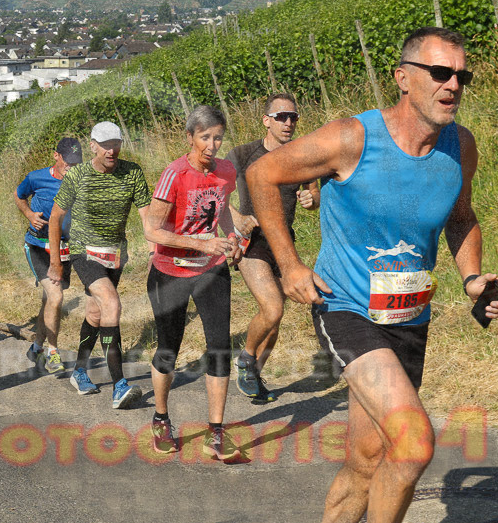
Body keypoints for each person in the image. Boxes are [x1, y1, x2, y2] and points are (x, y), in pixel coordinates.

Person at [247, 27, 498, 523]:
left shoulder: (460, 146)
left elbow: (461, 220)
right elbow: (261, 173)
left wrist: (472, 280)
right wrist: (290, 264)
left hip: (410, 318)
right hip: (346, 308)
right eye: (440, 72)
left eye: (462, 75)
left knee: (369, 456)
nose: (453, 84)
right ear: (404, 77)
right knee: (413, 442)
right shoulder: (353, 139)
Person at [142, 105, 242, 460]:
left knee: (219, 347)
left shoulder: (226, 170)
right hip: (170, 272)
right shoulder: (174, 174)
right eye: (205, 138)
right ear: (189, 137)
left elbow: (223, 207)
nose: (212, 145)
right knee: (169, 348)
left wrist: (234, 239)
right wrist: (202, 242)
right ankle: (161, 418)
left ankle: (216, 432)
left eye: (217, 137)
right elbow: (151, 230)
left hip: (211, 270)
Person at [226, 93, 324, 402]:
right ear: (266, 120)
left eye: (293, 117)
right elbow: (213, 196)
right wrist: (236, 217)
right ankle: (244, 359)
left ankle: (254, 370)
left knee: (275, 317)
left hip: (283, 243)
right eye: (281, 116)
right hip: (251, 242)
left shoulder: (303, 156)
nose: (289, 122)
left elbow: (315, 194)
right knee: (273, 307)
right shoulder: (241, 154)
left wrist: (312, 200)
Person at [47, 121, 150, 410]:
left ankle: (79, 371)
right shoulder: (77, 175)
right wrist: (56, 261)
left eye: (115, 143)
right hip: (83, 252)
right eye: (105, 145)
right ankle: (119, 385)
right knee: (112, 304)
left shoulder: (132, 174)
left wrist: (155, 246)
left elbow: (147, 216)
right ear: (92, 145)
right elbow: (55, 218)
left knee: (95, 312)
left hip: (115, 254)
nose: (111, 150)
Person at [14, 136, 83, 373]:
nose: (72, 168)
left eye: (77, 163)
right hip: (37, 246)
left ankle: (36, 347)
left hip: (64, 249)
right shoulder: (36, 177)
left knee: (49, 301)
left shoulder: (82, 179)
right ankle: (53, 352)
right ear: (56, 156)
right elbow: (18, 194)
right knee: (55, 297)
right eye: (68, 162)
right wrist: (29, 215)